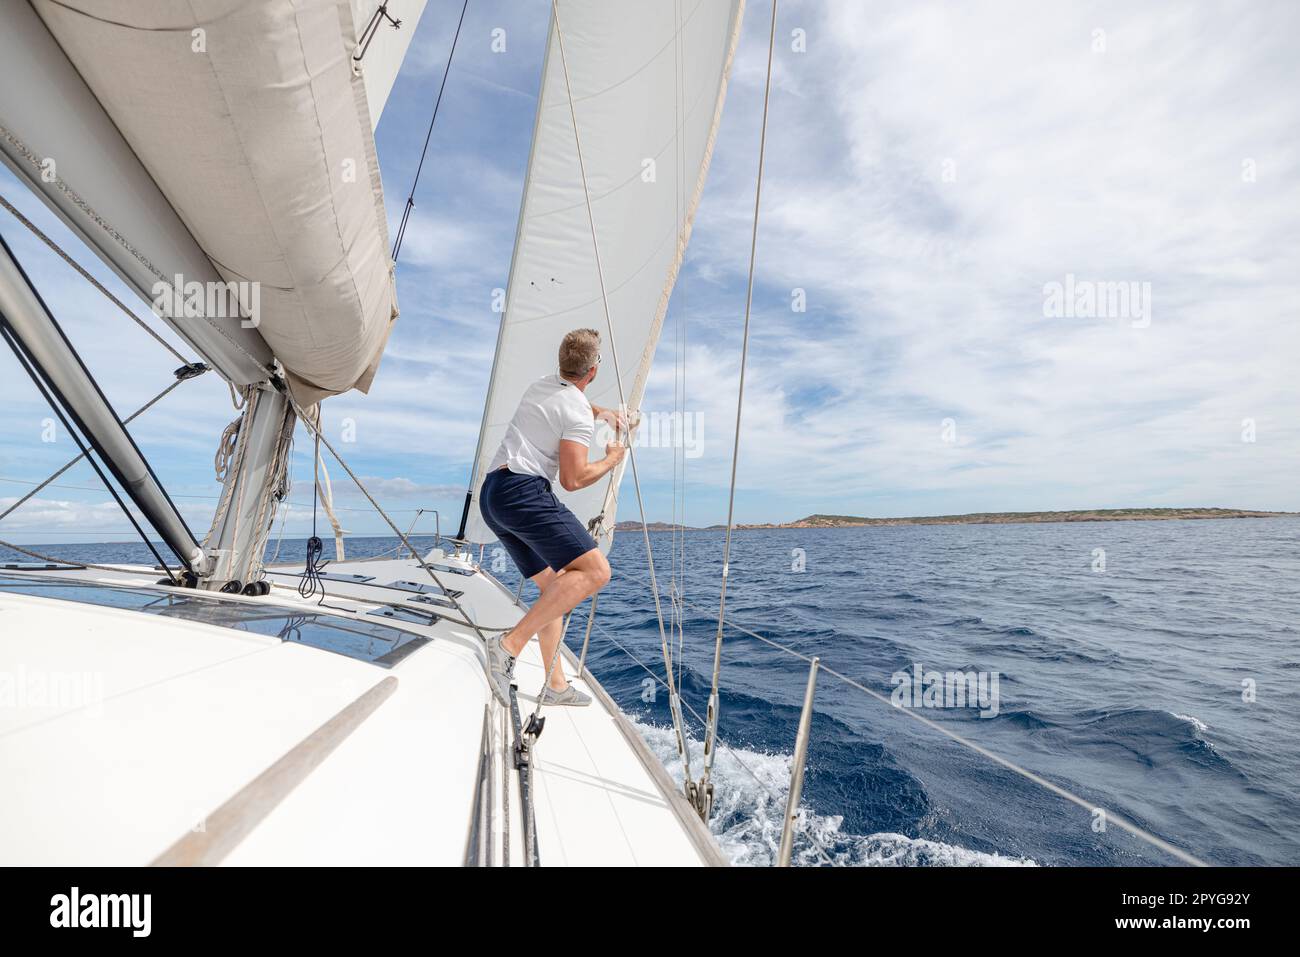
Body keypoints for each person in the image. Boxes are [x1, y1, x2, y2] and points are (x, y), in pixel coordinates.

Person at [479, 328, 628, 706]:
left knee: (556, 589)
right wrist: (611, 459)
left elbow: (575, 402)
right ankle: (507, 646)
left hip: (493, 495)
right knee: (596, 572)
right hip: (523, 494)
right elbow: (573, 479)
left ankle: (555, 685)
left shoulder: (541, 385)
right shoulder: (576, 410)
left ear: (562, 363)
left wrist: (605, 413)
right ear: (594, 370)